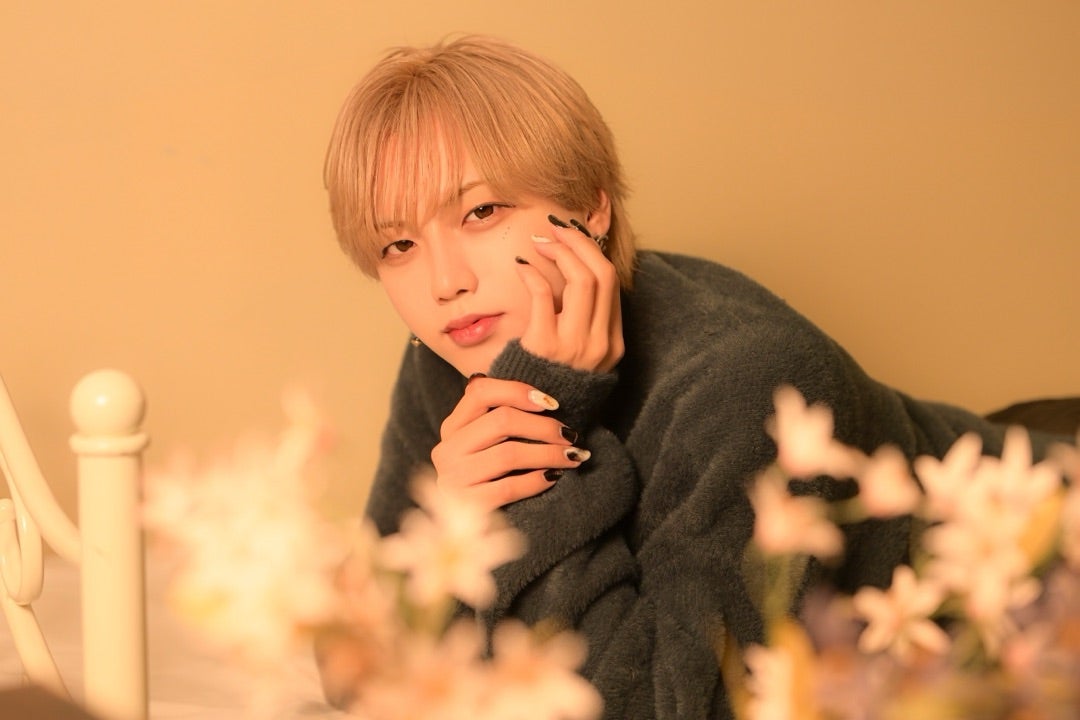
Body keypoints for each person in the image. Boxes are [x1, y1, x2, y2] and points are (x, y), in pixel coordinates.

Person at [320, 35, 1065, 719]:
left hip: (1045, 539)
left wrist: (538, 456)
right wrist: (455, 519)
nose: (443, 281)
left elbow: (663, 708)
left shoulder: (749, 377)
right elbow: (355, 671)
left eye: (481, 211)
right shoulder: (456, 351)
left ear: (589, 209)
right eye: (398, 246)